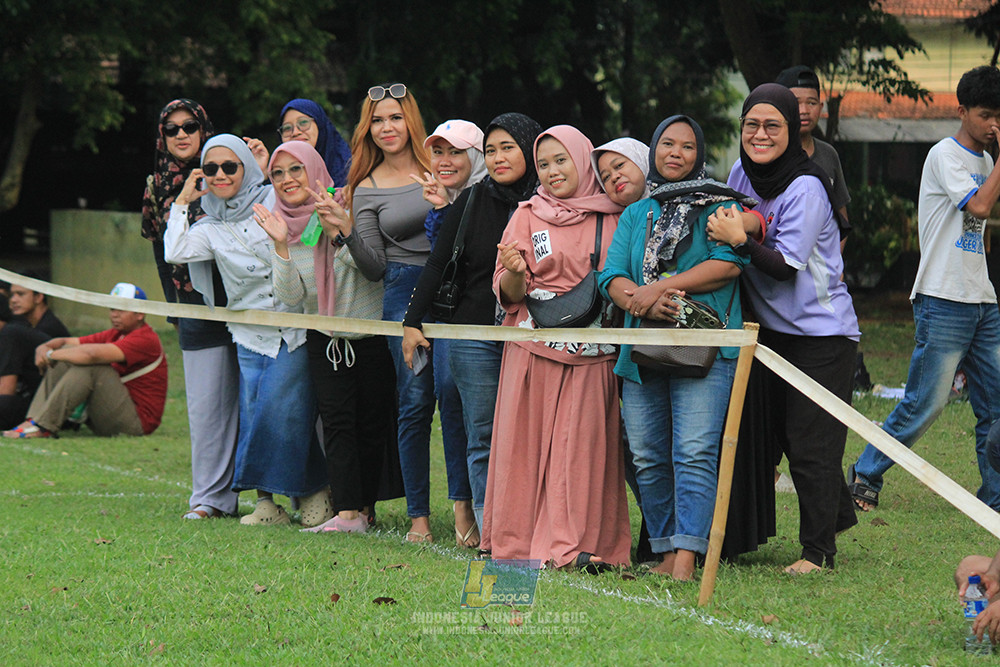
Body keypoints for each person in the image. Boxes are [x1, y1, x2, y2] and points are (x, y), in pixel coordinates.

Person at [707, 83, 860, 574]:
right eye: (751, 124)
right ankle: (835, 514)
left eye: (773, 125)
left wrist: (741, 237)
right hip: (766, 329)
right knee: (777, 435)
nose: (760, 134)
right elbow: (743, 216)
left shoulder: (808, 186)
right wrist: (746, 224)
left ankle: (819, 552)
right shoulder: (740, 172)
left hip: (822, 334)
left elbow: (785, 267)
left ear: (792, 130)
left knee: (810, 442)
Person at [600, 116, 752, 580]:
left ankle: (687, 556)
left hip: (704, 348)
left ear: (699, 154)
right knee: (646, 452)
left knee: (694, 450)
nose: (676, 153)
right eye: (667, 144)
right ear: (653, 150)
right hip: (642, 347)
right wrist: (639, 300)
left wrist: (659, 291)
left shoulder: (720, 206)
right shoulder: (636, 212)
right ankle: (665, 550)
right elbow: (610, 276)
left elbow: (728, 264)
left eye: (688, 146)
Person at [848, 66, 1000, 513]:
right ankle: (865, 472)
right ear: (962, 111)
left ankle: (994, 499)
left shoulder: (987, 161)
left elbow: (981, 228)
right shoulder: (945, 155)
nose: (995, 124)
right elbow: (980, 204)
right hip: (942, 298)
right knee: (925, 405)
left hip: (981, 300)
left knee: (995, 408)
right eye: (987, 115)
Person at [164, 134, 331, 528]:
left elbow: (308, 225)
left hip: (293, 328)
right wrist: (182, 203)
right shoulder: (208, 225)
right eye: (210, 169)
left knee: (283, 412)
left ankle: (315, 490)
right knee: (257, 415)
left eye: (229, 166)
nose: (220, 175)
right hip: (246, 334)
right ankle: (268, 502)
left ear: (246, 168)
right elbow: (176, 252)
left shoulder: (272, 201)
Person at [485, 124, 631, 570]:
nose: (552, 172)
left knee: (581, 450)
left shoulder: (615, 215)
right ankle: (518, 540)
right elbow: (508, 293)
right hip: (531, 351)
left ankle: (578, 544)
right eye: (544, 164)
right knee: (523, 450)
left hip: (593, 354)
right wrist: (512, 269)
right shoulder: (527, 214)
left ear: (583, 161)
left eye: (561, 160)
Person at [402, 113, 543, 540]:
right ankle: (491, 529)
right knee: (482, 433)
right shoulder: (471, 200)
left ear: (530, 151)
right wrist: (412, 322)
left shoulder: (549, 201)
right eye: (492, 150)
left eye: (508, 148)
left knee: (532, 431)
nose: (499, 158)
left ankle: (536, 524)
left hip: (532, 332)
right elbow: (436, 263)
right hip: (473, 335)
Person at [342, 82, 472, 544]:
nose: (386, 127)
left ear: (411, 121)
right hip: (401, 295)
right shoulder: (364, 188)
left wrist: (448, 199)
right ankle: (419, 518)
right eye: (377, 120)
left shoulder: (441, 163)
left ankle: (464, 514)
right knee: (415, 405)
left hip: (455, 293)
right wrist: (345, 233)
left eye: (395, 117)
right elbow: (374, 267)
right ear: (367, 129)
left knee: (456, 401)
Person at [254, 140, 395, 534]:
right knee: (336, 423)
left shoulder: (347, 205)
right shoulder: (284, 225)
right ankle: (347, 513)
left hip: (369, 334)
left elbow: (370, 270)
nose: (286, 180)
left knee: (371, 422)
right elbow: (291, 297)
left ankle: (365, 508)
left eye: (295, 169)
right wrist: (281, 245)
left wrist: (342, 229)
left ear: (314, 169)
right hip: (325, 338)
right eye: (277, 173)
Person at [141, 98, 240, 521]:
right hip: (194, 308)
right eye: (172, 129)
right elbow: (162, 255)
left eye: (189, 127)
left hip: (246, 304)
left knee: (264, 401)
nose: (181, 134)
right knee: (205, 409)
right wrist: (176, 310)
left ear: (204, 131)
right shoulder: (156, 186)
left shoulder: (225, 171)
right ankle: (210, 499)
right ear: (162, 137)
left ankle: (281, 498)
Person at [2, 283, 167, 439]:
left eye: (121, 310)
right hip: (110, 413)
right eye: (112, 309)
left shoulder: (145, 339)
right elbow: (66, 342)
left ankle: (43, 426)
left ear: (140, 313)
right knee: (69, 354)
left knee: (92, 367)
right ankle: (34, 421)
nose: (114, 314)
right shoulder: (116, 334)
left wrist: (51, 354)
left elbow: (91, 355)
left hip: (136, 423)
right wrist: (43, 347)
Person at [774, 66, 851, 229]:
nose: (804, 111)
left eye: (811, 103)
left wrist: (835, 254)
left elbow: (841, 215)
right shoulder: (769, 154)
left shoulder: (828, 155)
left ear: (821, 107)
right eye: (796, 103)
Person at [410, 119, 488, 248]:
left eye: (455, 152)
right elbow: (441, 258)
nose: (444, 162)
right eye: (438, 152)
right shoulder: (441, 199)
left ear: (476, 157)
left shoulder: (491, 200)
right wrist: (442, 207)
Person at [591, 137, 651, 208]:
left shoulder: (666, 201)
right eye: (606, 177)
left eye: (619, 165)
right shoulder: (624, 218)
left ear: (641, 160)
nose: (614, 177)